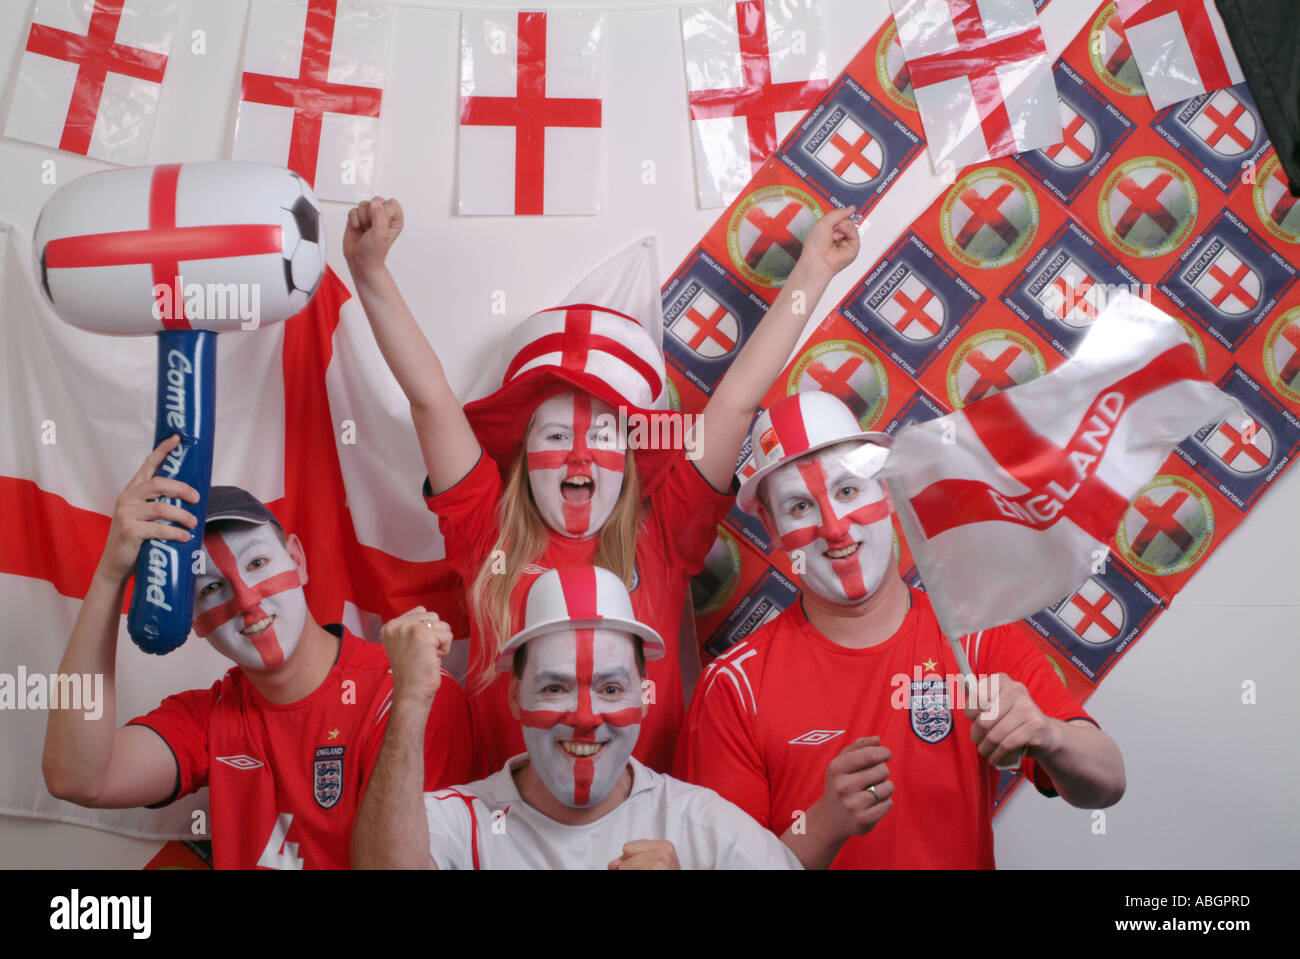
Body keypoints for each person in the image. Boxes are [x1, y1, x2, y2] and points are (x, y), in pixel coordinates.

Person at [342, 195, 863, 776]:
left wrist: (813, 271)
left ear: (635, 458)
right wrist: (371, 272)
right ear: (520, 458)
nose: (581, 454)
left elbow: (737, 404)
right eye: (558, 433)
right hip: (507, 832)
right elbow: (430, 400)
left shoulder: (662, 534)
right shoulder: (485, 527)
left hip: (643, 836)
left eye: (607, 434)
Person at [674, 391, 1126, 868]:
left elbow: (1108, 783)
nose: (835, 528)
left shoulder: (973, 638)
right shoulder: (734, 689)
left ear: (886, 490)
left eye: (848, 491)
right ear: (769, 523)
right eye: (800, 507)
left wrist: (1051, 736)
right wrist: (824, 825)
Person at [41, 436, 474, 869]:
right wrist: (110, 575)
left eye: (258, 563)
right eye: (211, 588)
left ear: (298, 561)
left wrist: (411, 703)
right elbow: (76, 776)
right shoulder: (210, 717)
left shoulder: (409, 694)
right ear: (192, 621)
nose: (247, 601)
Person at [353, 565, 802, 869]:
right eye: (555, 688)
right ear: (514, 697)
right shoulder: (459, 822)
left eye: (611, 689)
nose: (585, 717)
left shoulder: (704, 825)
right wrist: (410, 697)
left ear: (644, 697)